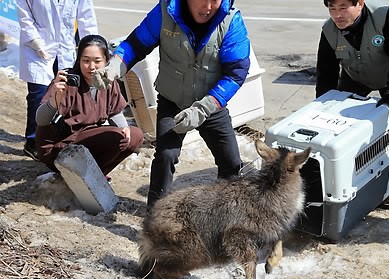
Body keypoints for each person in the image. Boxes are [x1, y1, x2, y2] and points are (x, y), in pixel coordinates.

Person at [93, 0, 251, 208]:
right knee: (166, 155)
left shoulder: (230, 20)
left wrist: (204, 108)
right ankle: (155, 217)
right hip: (172, 99)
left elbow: (235, 73)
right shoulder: (167, 11)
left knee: (231, 162)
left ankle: (225, 215)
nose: (209, 6)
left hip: (210, 102)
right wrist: (116, 65)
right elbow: (136, 44)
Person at [316, 0, 389, 171]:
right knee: (340, 120)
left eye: (343, 7)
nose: (337, 15)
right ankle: (350, 163)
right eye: (332, 8)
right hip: (355, 77)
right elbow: (326, 71)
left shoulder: (384, 16)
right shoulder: (328, 30)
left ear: (360, 4)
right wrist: (323, 103)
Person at [35, 34, 144, 178]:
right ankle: (81, 176)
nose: (91, 67)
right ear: (78, 60)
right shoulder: (67, 82)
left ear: (107, 61)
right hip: (60, 145)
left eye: (97, 61)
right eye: (85, 61)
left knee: (135, 135)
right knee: (116, 138)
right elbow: (41, 121)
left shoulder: (107, 80)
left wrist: (124, 128)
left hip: (86, 137)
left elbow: (115, 111)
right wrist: (55, 99)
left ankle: (95, 175)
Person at [17, 0, 98, 160]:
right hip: (36, 49)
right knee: (38, 95)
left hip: (64, 48)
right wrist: (34, 41)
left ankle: (56, 139)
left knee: (64, 96)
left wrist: (92, 47)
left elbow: (86, 19)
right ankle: (33, 141)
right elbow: (24, 14)